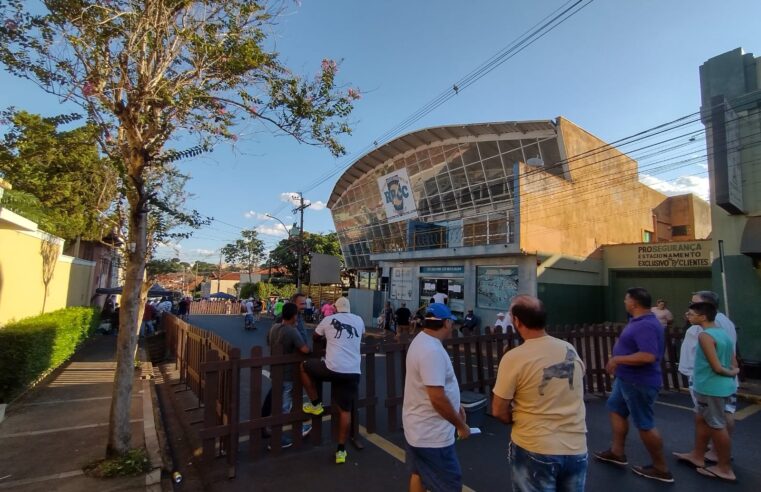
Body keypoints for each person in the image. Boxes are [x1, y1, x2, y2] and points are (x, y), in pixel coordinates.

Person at [492, 295, 588, 492]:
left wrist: (516, 418)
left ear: (517, 321)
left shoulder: (514, 358)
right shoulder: (568, 348)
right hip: (577, 448)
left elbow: (498, 410)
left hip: (535, 447)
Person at [594, 287, 673, 483]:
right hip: (625, 380)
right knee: (615, 408)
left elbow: (648, 355)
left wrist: (617, 360)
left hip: (639, 382)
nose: (624, 303)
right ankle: (617, 452)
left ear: (634, 303)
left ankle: (661, 468)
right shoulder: (639, 321)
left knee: (644, 424)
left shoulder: (645, 325)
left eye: (626, 300)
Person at [403, 302, 469, 492]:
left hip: (416, 428)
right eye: (452, 323)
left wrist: (455, 404)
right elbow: (437, 398)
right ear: (447, 323)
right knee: (449, 485)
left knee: (419, 475)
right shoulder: (432, 351)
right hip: (432, 436)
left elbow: (434, 388)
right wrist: (460, 425)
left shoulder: (421, 340)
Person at [673, 302, 739, 482]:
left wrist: (730, 372)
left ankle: (724, 467)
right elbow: (734, 363)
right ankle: (697, 455)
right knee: (701, 419)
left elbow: (717, 367)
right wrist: (733, 372)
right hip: (717, 387)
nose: (688, 316)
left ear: (702, 317)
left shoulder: (705, 336)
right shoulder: (723, 334)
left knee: (717, 425)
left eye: (691, 313)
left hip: (711, 387)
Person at [301, 297, 364, 464]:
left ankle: (315, 404)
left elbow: (315, 337)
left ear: (335, 308)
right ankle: (341, 450)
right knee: (345, 411)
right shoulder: (358, 320)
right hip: (352, 372)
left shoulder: (328, 319)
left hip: (332, 368)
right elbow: (360, 335)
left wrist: (327, 340)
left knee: (304, 366)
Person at [264, 302, 311, 448]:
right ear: (294, 316)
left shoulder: (274, 328)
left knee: (283, 404)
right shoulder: (291, 331)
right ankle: (276, 440)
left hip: (275, 372)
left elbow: (267, 341)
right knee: (283, 408)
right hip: (288, 375)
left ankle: (297, 427)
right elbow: (305, 349)